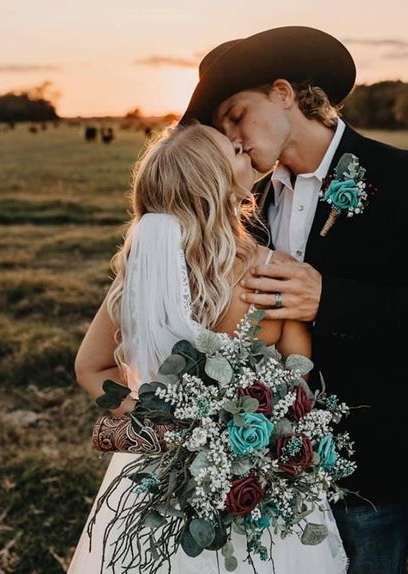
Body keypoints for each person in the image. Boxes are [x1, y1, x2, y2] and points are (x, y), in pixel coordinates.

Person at [179, 25, 408, 574]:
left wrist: (328, 298)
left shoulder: (407, 177)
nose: (231, 138)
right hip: (266, 458)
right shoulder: (245, 200)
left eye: (236, 114)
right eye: (220, 129)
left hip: (380, 453)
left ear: (283, 93)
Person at [68, 122, 349, 572]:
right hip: (256, 474)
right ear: (216, 185)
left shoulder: (141, 274)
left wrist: (163, 425)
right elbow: (299, 373)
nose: (247, 150)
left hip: (159, 471)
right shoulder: (274, 271)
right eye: (236, 151)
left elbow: (90, 367)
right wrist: (246, 437)